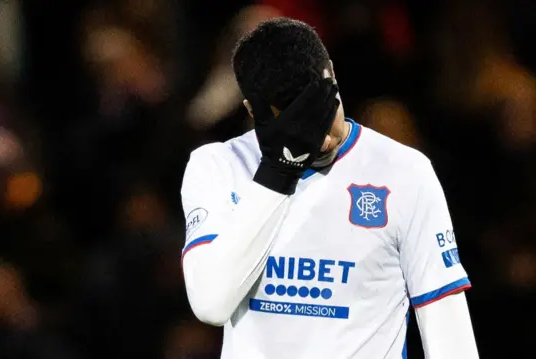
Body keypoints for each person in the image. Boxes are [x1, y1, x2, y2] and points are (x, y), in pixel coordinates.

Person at [180, 17, 479, 359]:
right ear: (252, 109)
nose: (319, 136)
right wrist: (280, 170)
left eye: (323, 109)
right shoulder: (219, 166)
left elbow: (445, 318)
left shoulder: (405, 172)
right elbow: (211, 304)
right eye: (296, 121)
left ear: (332, 75)